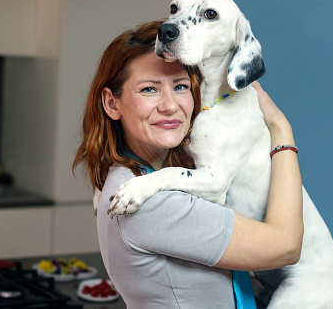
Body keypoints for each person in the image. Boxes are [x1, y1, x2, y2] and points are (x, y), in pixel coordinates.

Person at [73, 20, 303, 308]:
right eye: (149, 90)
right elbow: (286, 247)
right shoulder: (149, 203)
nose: (170, 105)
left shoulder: (138, 176)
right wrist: (281, 129)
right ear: (112, 104)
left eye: (180, 86)